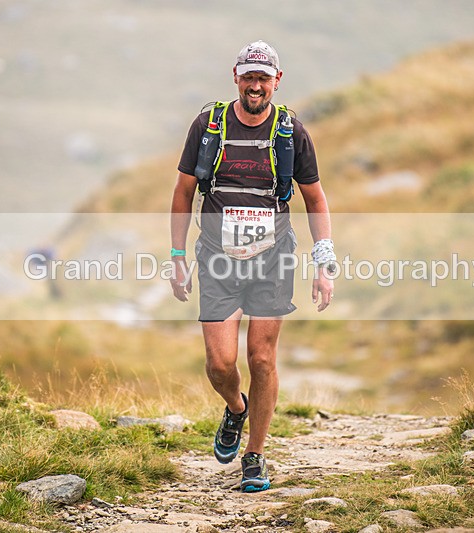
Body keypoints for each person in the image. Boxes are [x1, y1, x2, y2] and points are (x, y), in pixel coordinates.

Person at [169, 40, 336, 492]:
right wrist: (178, 258)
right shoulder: (209, 126)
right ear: (236, 77)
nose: (256, 85)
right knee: (220, 365)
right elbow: (184, 193)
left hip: (274, 257)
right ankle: (236, 409)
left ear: (276, 81)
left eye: (264, 77)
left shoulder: (291, 132)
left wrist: (325, 263)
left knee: (261, 358)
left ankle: (255, 456)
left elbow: (315, 198)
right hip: (217, 258)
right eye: (249, 76)